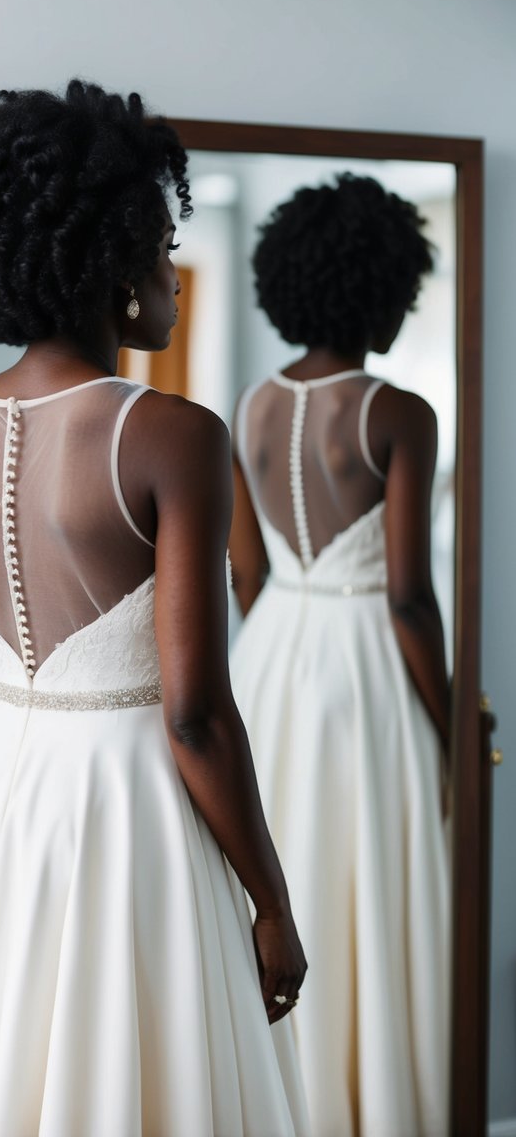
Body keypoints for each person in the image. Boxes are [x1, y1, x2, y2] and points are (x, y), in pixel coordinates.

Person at [0, 81, 309, 1136]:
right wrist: (271, 905)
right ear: (107, 261)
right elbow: (194, 714)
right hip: (129, 803)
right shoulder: (175, 435)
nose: (170, 273)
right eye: (157, 245)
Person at [228, 174, 450, 1137]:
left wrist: (277, 633)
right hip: (363, 663)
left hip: (274, 646)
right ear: (383, 283)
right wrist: (449, 722)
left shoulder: (248, 407)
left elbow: (243, 572)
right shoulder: (396, 411)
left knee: (291, 861)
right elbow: (407, 592)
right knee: (368, 870)